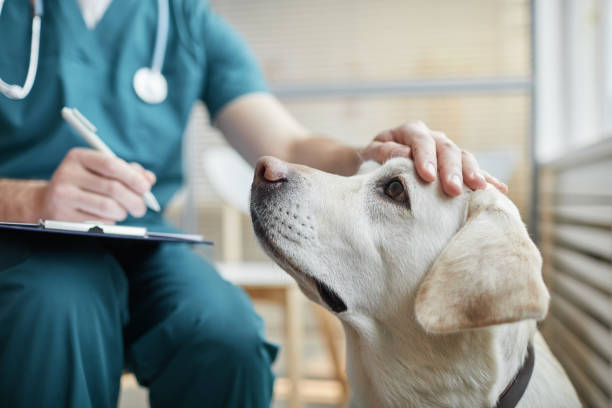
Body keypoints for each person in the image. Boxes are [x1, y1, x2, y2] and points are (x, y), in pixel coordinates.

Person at [0, 0, 507, 407]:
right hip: (18, 240)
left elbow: (286, 146)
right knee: (54, 311)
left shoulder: (184, 20)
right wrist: (29, 198)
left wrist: (366, 153)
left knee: (228, 336)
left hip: (143, 238)